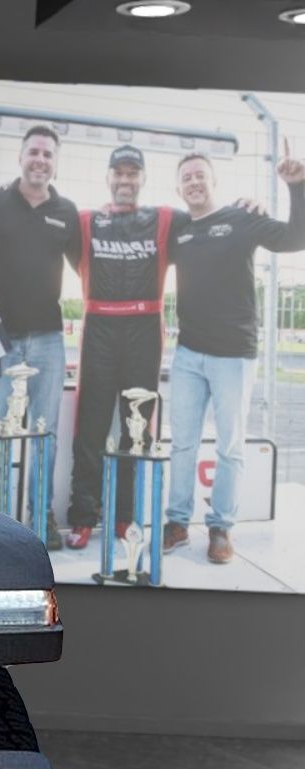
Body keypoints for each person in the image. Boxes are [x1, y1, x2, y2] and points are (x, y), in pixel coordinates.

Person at [165, 147, 305, 563]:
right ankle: (176, 521)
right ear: (178, 186)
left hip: (233, 355)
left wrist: (296, 186)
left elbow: (296, 238)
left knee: (231, 447)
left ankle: (222, 528)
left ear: (213, 181)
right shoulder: (177, 230)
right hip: (188, 353)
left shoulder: (242, 219)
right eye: (186, 177)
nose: (193, 182)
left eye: (200, 175)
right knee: (182, 445)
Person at [0, 125, 81, 548]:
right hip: (0, 336)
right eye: (34, 152)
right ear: (20, 156)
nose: (40, 160)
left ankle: (41, 515)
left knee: (44, 431)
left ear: (55, 162)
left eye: (48, 154)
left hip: (49, 338)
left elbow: (89, 269)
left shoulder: (67, 211)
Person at [62, 146, 184, 550]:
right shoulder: (84, 222)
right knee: (90, 429)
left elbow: (205, 225)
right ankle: (82, 517)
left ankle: (124, 517)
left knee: (136, 431)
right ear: (109, 178)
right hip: (99, 328)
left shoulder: (164, 219)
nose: (126, 180)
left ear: (143, 179)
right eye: (119, 173)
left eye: (134, 174)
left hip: (145, 331)